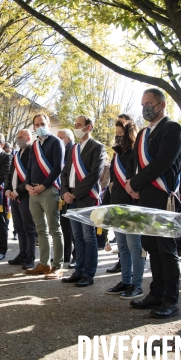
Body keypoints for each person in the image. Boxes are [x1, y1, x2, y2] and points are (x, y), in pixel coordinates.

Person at [125, 88, 181, 318]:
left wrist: (136, 183)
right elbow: (134, 162)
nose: (146, 108)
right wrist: (131, 183)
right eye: (143, 104)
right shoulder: (142, 134)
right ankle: (156, 293)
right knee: (151, 247)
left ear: (162, 104)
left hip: (163, 197)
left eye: (149, 103)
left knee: (166, 250)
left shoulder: (172, 129)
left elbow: (162, 163)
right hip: (144, 198)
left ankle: (171, 300)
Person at [61, 115, 107, 286]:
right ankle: (78, 270)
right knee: (77, 237)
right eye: (75, 125)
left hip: (86, 197)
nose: (76, 127)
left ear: (89, 127)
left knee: (89, 237)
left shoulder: (98, 147)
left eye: (79, 125)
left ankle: (89, 273)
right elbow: (65, 172)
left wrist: (76, 193)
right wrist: (65, 192)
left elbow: (95, 174)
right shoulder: (73, 149)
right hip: (71, 197)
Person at [105, 120, 145, 300]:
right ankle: (125, 281)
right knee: (122, 246)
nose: (117, 136)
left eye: (120, 133)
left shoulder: (135, 154)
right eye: (116, 132)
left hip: (131, 206)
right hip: (116, 205)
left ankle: (137, 285)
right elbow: (112, 183)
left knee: (134, 246)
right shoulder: (116, 155)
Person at [23, 114, 65, 278]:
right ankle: (44, 263)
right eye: (37, 124)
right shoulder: (34, 145)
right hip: (33, 192)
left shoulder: (56, 142)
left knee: (54, 229)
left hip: (49, 191)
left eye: (42, 123)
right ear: (33, 127)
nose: (40, 126)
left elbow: (57, 167)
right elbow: (29, 168)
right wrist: (27, 184)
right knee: (40, 229)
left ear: (48, 124)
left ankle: (57, 265)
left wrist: (43, 186)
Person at [5, 129, 37, 269]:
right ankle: (22, 254)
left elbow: (30, 177)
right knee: (18, 227)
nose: (19, 139)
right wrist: (7, 189)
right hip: (13, 196)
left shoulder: (32, 152)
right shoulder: (17, 154)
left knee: (29, 228)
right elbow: (9, 174)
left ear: (29, 138)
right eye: (18, 137)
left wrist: (17, 191)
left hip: (25, 196)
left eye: (21, 137)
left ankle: (30, 257)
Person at [56, 128, 75, 265]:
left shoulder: (73, 150)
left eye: (60, 137)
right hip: (63, 193)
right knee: (65, 226)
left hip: (73, 194)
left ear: (68, 138)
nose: (58, 140)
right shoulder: (61, 151)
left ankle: (76, 255)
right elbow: (62, 174)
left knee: (73, 229)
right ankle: (66, 254)